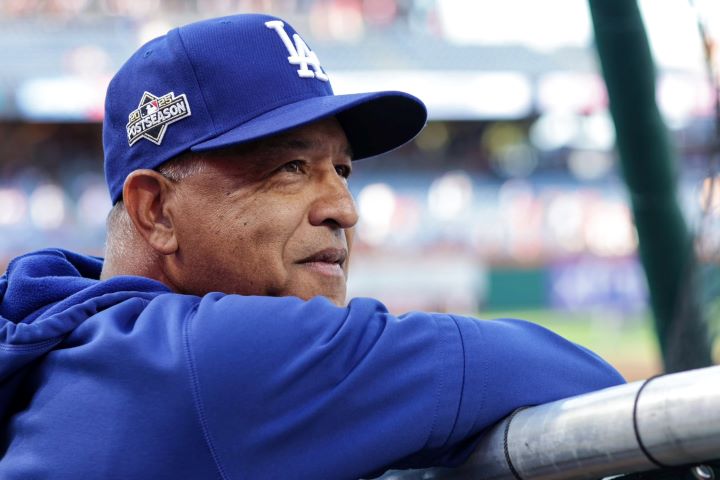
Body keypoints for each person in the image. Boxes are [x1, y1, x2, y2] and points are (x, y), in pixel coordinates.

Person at [0, 13, 624, 480]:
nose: (344, 210)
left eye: (342, 170)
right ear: (155, 211)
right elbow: (575, 377)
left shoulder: (68, 333)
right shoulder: (205, 361)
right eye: (291, 168)